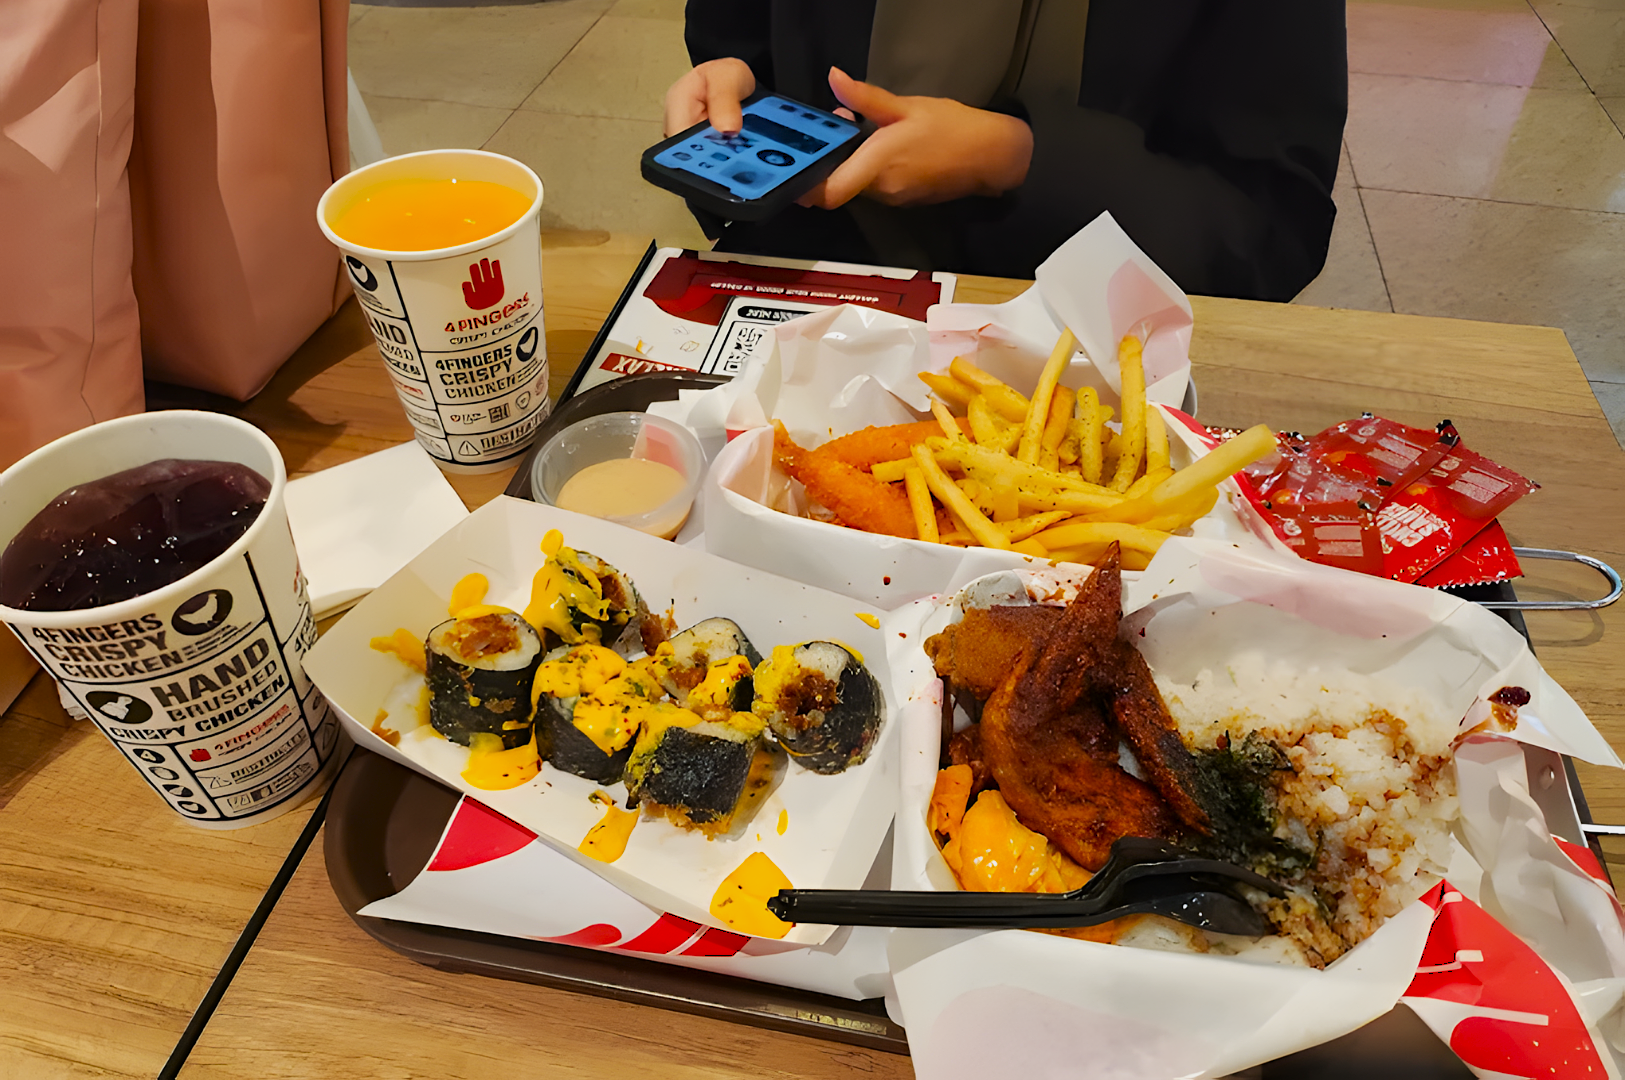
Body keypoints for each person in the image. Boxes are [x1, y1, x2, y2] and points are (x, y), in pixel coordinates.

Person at [665, 0, 1347, 302]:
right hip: (812, 302)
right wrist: (738, 115)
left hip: (1094, 352)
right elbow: (740, 40)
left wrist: (1014, 158)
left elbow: (1269, 229)